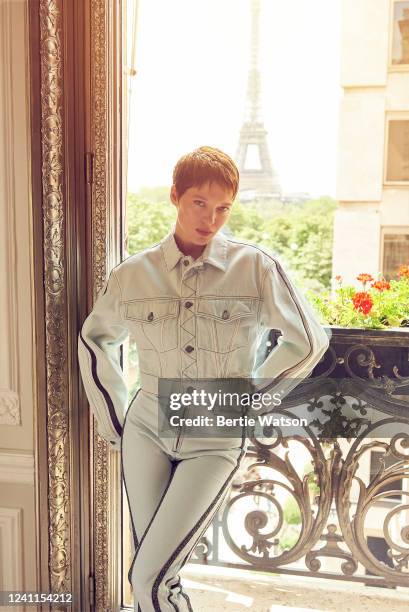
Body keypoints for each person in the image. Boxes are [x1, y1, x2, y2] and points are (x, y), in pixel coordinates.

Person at [78, 146, 331, 611]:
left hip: (214, 436)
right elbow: (96, 341)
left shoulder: (255, 267)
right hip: (147, 427)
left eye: (222, 208)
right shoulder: (133, 274)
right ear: (175, 196)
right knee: (155, 575)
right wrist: (116, 422)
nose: (210, 218)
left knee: (149, 576)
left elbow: (308, 340)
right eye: (199, 203)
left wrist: (248, 400)